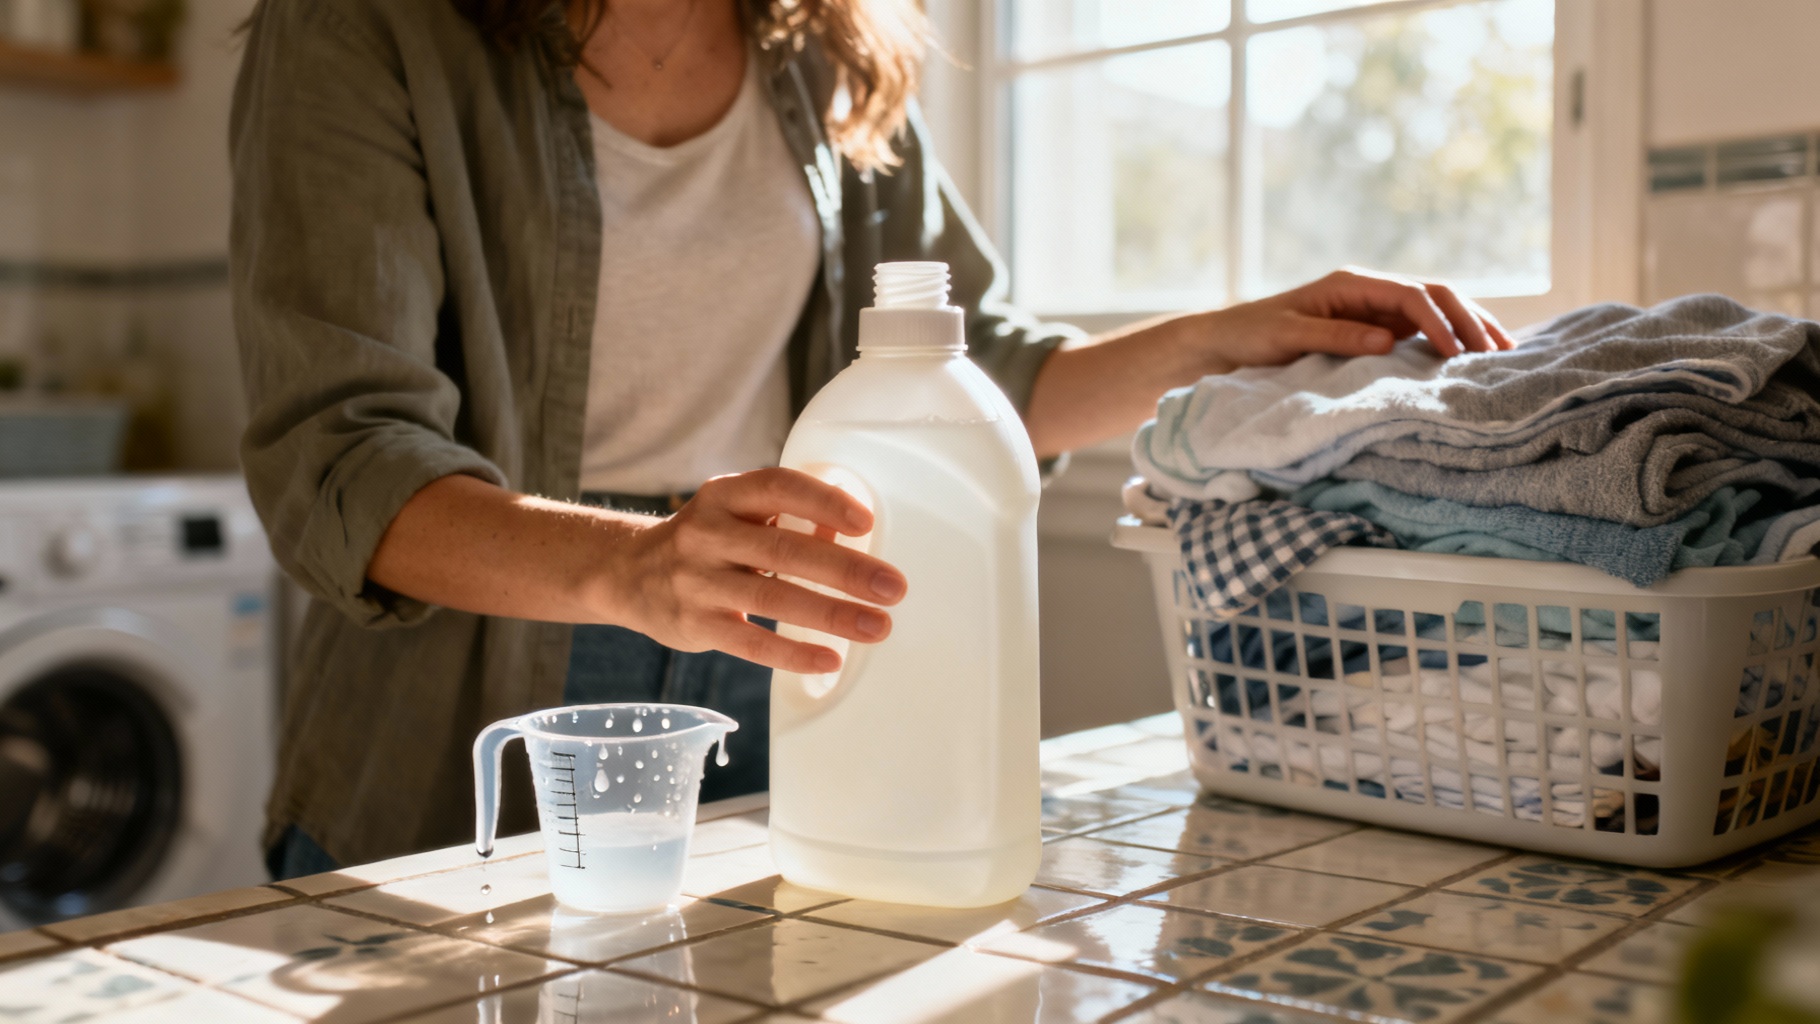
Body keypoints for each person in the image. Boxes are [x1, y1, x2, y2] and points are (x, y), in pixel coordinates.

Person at [231, 0, 1512, 879]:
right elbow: (343, 462)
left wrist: (1227, 338)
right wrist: (634, 568)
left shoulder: (824, 48)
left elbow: (978, 374)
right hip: (478, 687)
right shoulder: (366, 24)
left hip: (778, 658)